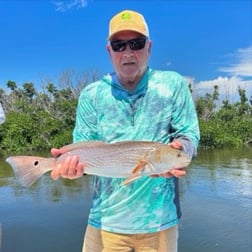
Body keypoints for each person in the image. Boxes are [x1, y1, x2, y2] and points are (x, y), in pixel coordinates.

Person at [51, 9, 200, 252]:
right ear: (109, 51)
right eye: (119, 45)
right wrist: (72, 169)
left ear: (149, 47)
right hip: (105, 220)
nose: (128, 53)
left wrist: (182, 149)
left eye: (136, 43)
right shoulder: (92, 94)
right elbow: (84, 146)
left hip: (161, 222)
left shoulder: (172, 85)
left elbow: (189, 134)